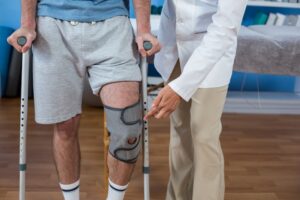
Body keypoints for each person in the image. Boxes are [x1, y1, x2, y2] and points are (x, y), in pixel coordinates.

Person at [8, 0, 160, 200]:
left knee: (128, 127)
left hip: (112, 24)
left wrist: (144, 29)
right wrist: (27, 24)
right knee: (65, 126)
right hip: (53, 26)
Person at [145, 0, 248, 199]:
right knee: (180, 133)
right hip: (174, 41)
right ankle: (177, 196)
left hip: (212, 50)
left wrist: (180, 88)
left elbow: (225, 28)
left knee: (203, 134)